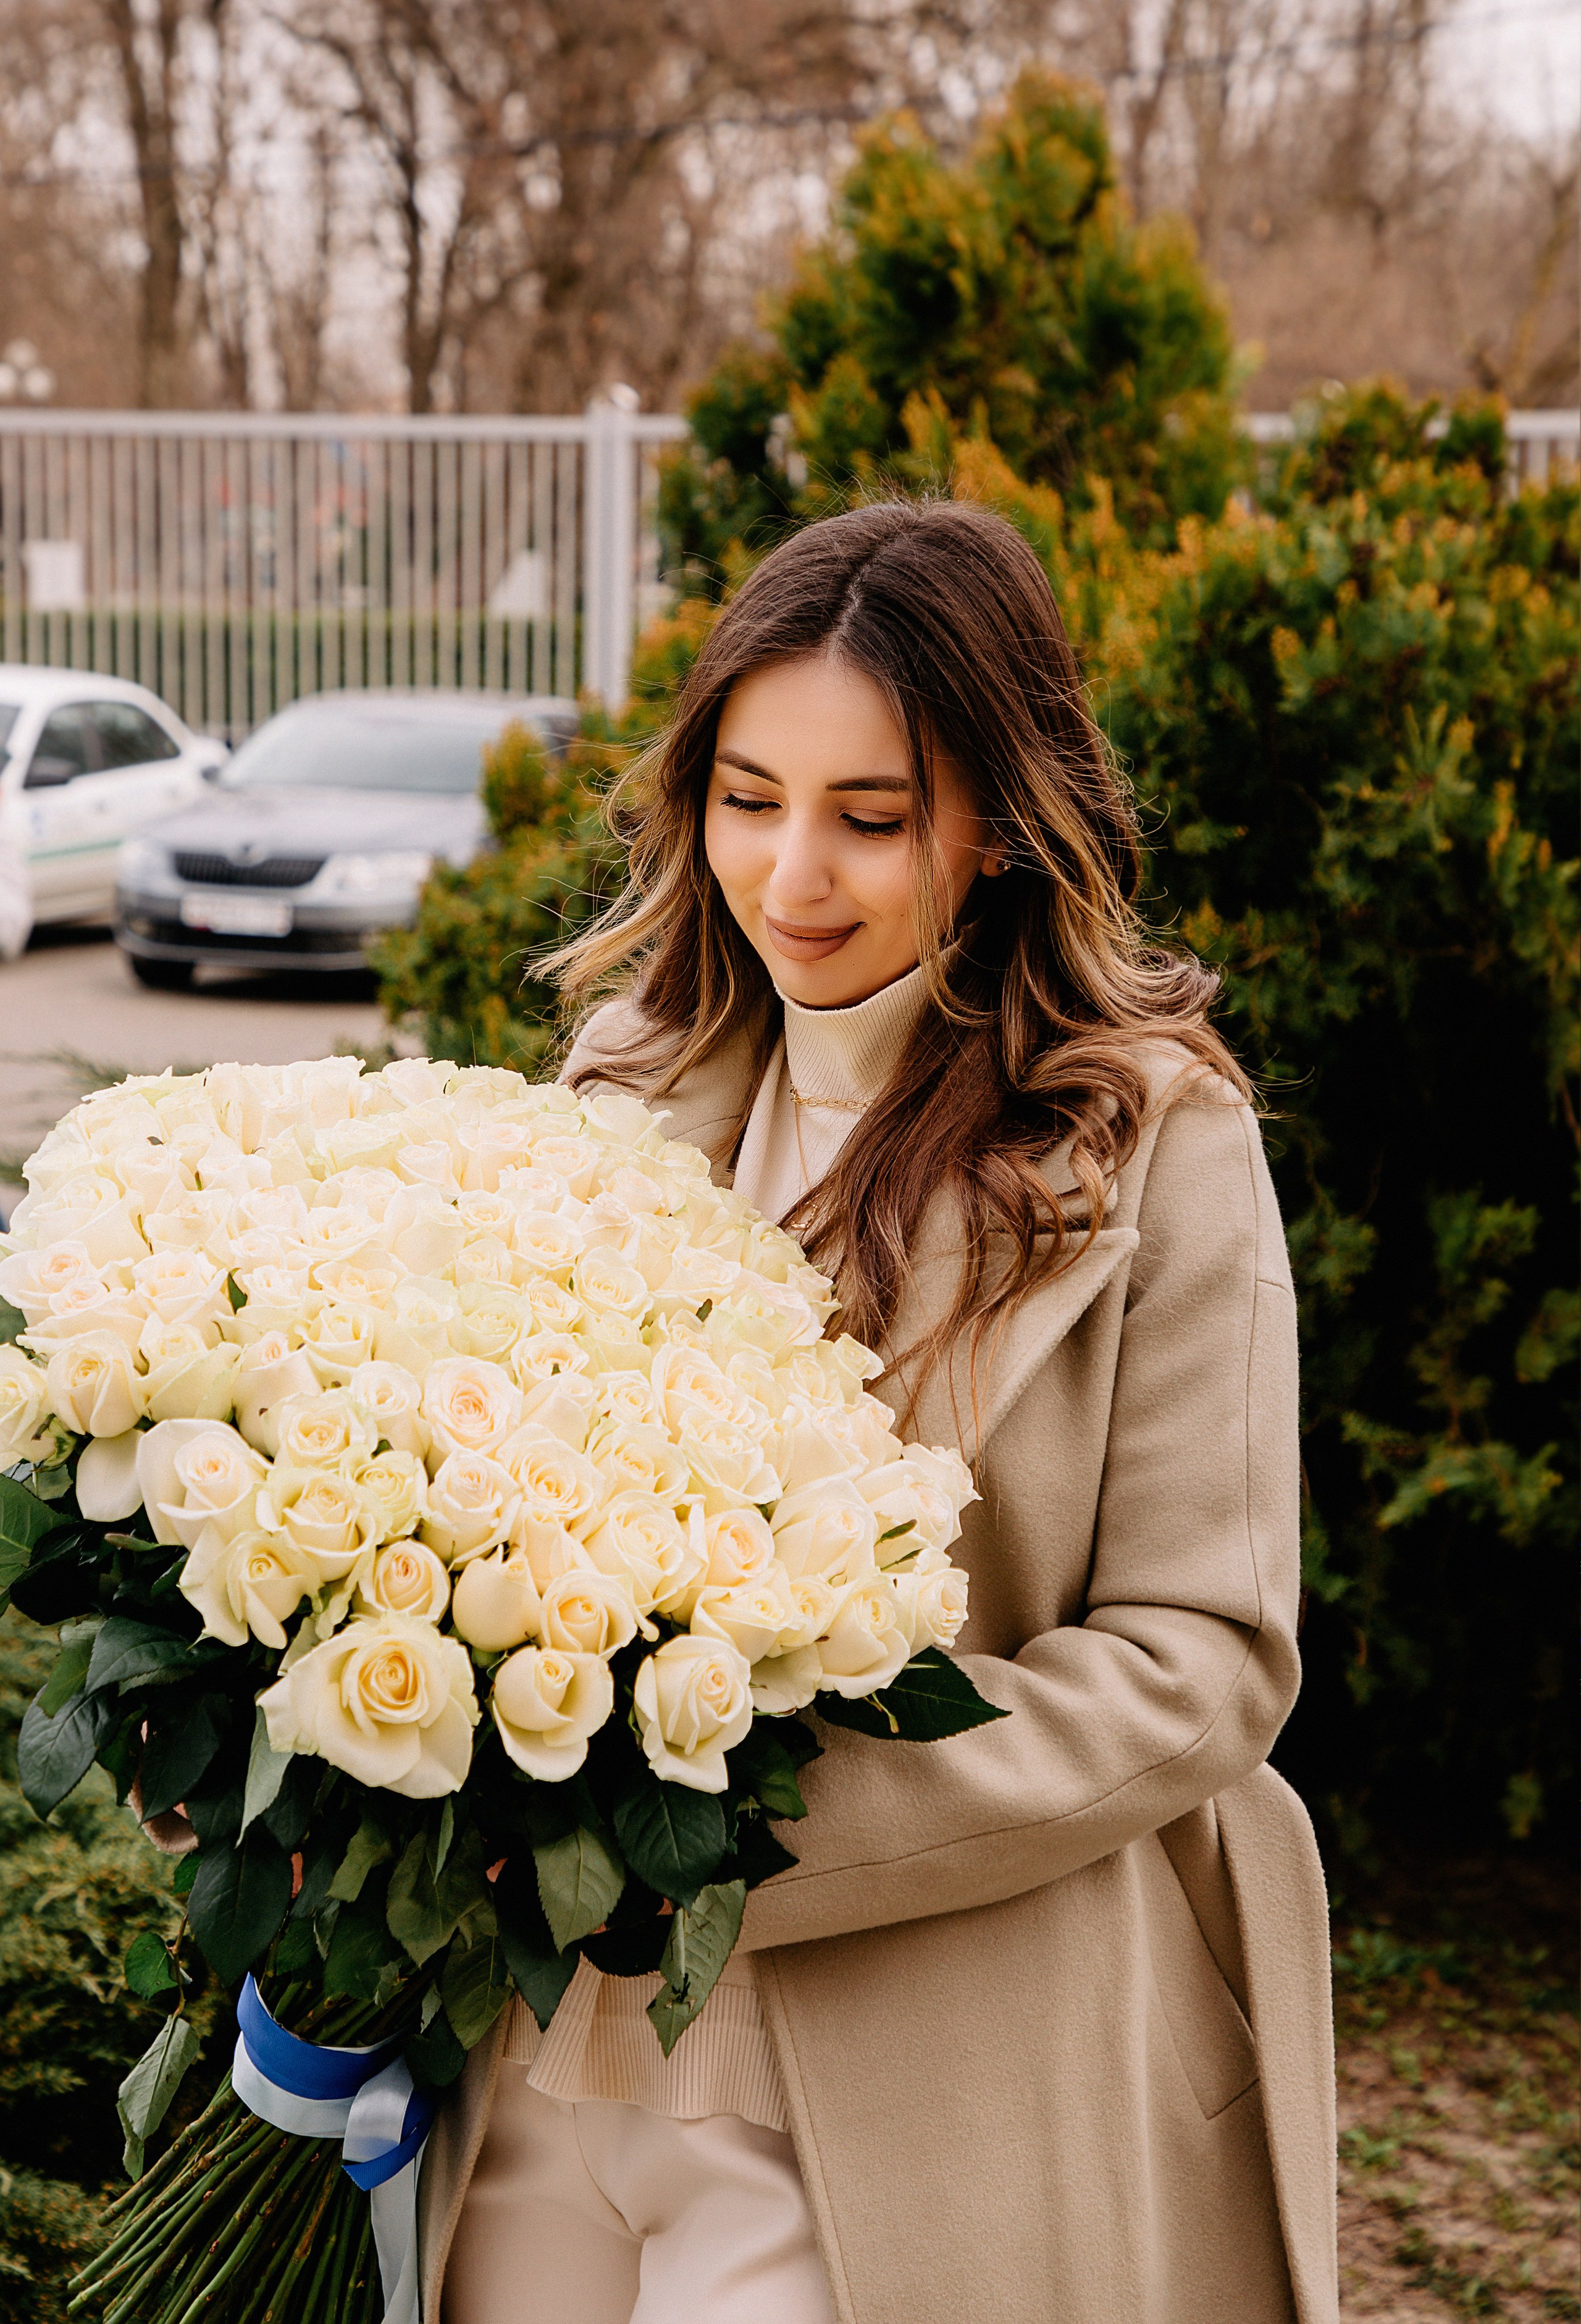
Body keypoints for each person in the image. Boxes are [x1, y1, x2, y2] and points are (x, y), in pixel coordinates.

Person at [421, 498, 1338, 2324]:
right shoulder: (618, 1086)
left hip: (909, 2076)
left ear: (996, 822)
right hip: (538, 2066)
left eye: (871, 816)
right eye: (749, 799)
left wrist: (732, 1840)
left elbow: (1203, 1657)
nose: (792, 880)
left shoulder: (1159, 1141)